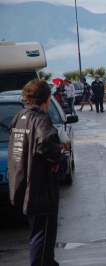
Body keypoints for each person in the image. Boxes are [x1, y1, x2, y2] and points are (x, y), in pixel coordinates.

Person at [8, 80, 64, 266]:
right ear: (46, 99)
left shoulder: (20, 116)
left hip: (24, 181)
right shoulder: (39, 118)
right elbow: (47, 140)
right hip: (40, 185)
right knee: (44, 233)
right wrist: (57, 158)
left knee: (38, 230)